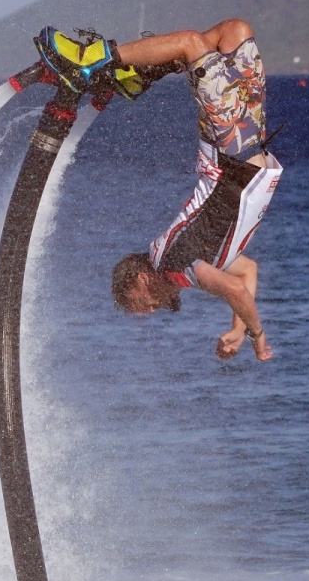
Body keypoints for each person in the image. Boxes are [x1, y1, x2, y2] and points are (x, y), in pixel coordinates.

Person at [107, 18, 281, 362]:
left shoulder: (172, 264)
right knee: (235, 31)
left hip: (232, 151)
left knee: (190, 43)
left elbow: (234, 289)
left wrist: (257, 336)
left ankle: (99, 60)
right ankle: (159, 60)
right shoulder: (193, 257)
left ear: (141, 278)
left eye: (148, 302)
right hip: (248, 141)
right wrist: (237, 328)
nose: (158, 305)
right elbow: (246, 272)